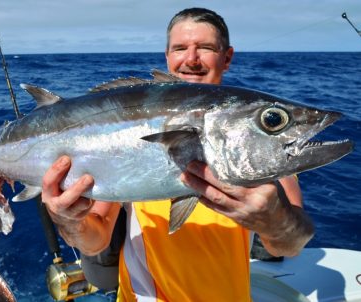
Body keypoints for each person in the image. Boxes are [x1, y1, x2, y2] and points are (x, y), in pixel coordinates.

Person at [41, 7, 315, 301]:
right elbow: (95, 241)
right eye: (180, 48)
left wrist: (274, 220)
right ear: (167, 56)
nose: (191, 59)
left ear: (227, 57)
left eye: (206, 48)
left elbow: (291, 245)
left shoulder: (253, 142)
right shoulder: (132, 127)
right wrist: (69, 221)